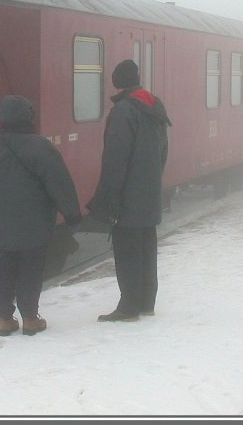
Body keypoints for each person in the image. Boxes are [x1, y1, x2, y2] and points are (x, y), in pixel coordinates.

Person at [0, 95, 82, 336]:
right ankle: (30, 318)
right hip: (35, 222)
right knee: (30, 269)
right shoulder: (41, 147)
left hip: (1, 222)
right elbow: (59, 183)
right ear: (28, 116)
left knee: (3, 267)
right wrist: (72, 215)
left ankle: (4, 318)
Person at [86, 59, 172, 322]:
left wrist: (108, 198)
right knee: (146, 249)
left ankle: (128, 308)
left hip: (128, 197)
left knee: (127, 252)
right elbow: (163, 153)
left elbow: (115, 159)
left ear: (118, 81)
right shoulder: (155, 106)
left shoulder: (124, 111)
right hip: (149, 193)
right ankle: (146, 302)